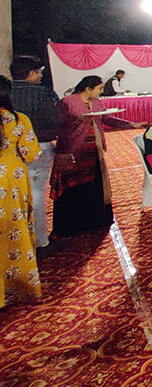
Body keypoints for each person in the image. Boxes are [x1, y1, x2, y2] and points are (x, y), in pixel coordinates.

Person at [51, 76, 140, 237]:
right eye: (99, 88)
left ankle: (94, 221)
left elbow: (106, 119)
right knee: (73, 185)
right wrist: (75, 121)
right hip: (74, 150)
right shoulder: (67, 102)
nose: (101, 91)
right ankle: (73, 225)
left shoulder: (97, 103)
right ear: (88, 89)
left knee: (94, 184)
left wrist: (130, 124)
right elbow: (57, 125)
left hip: (95, 149)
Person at [0, 76, 42, 309]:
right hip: (10, 178)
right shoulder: (17, 119)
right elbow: (31, 152)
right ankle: (17, 285)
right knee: (13, 229)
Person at [11, 56, 60, 250]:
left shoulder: (6, 92)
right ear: (31, 74)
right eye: (39, 72)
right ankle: (40, 241)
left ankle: (16, 240)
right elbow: (55, 120)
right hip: (37, 147)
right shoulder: (43, 93)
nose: (40, 76)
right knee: (36, 192)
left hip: (8, 153)